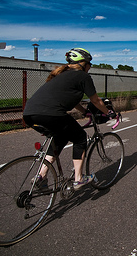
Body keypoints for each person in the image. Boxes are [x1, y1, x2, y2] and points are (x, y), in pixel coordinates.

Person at [23, 48, 114, 189]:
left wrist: (84, 112)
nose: (90, 67)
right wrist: (109, 113)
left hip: (29, 114)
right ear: (83, 63)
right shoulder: (83, 77)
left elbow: (72, 99)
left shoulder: (60, 76)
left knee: (60, 138)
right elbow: (96, 101)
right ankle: (79, 178)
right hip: (51, 114)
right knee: (80, 137)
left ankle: (41, 176)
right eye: (89, 63)